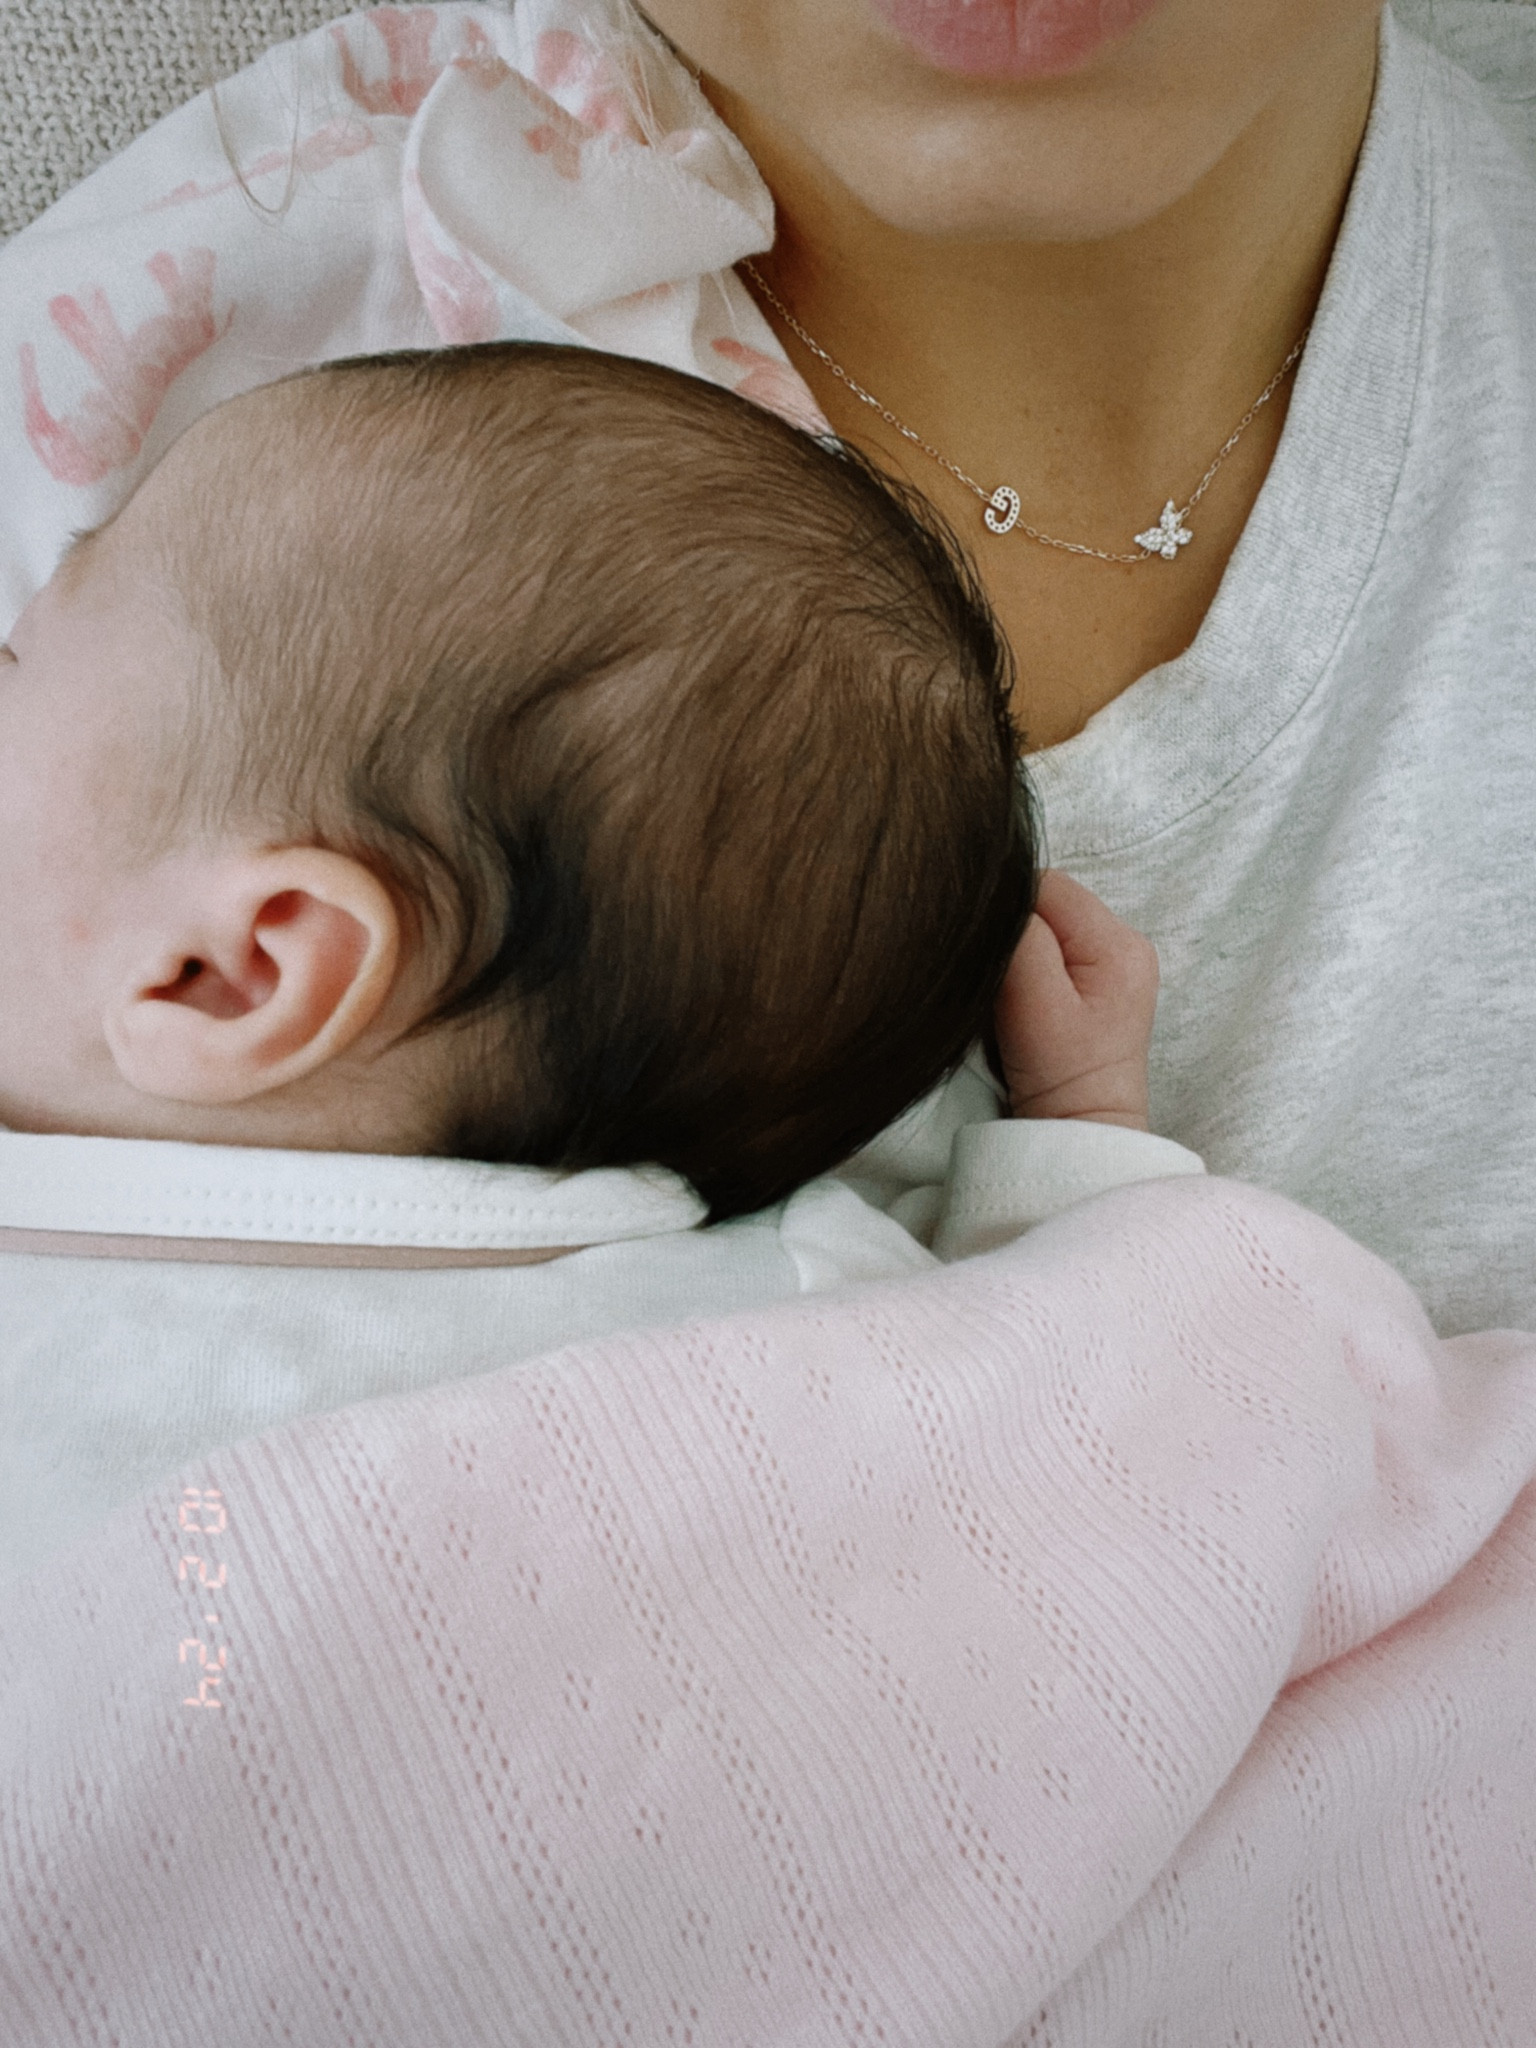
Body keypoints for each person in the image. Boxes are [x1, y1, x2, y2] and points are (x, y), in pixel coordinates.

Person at [0, 338, 1198, 1581]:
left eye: (13, 666)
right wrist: (1083, 1135)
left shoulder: (763, 1330)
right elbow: (1075, 1421)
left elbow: (1075, 1468)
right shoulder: (803, 1310)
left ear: (235, 973)